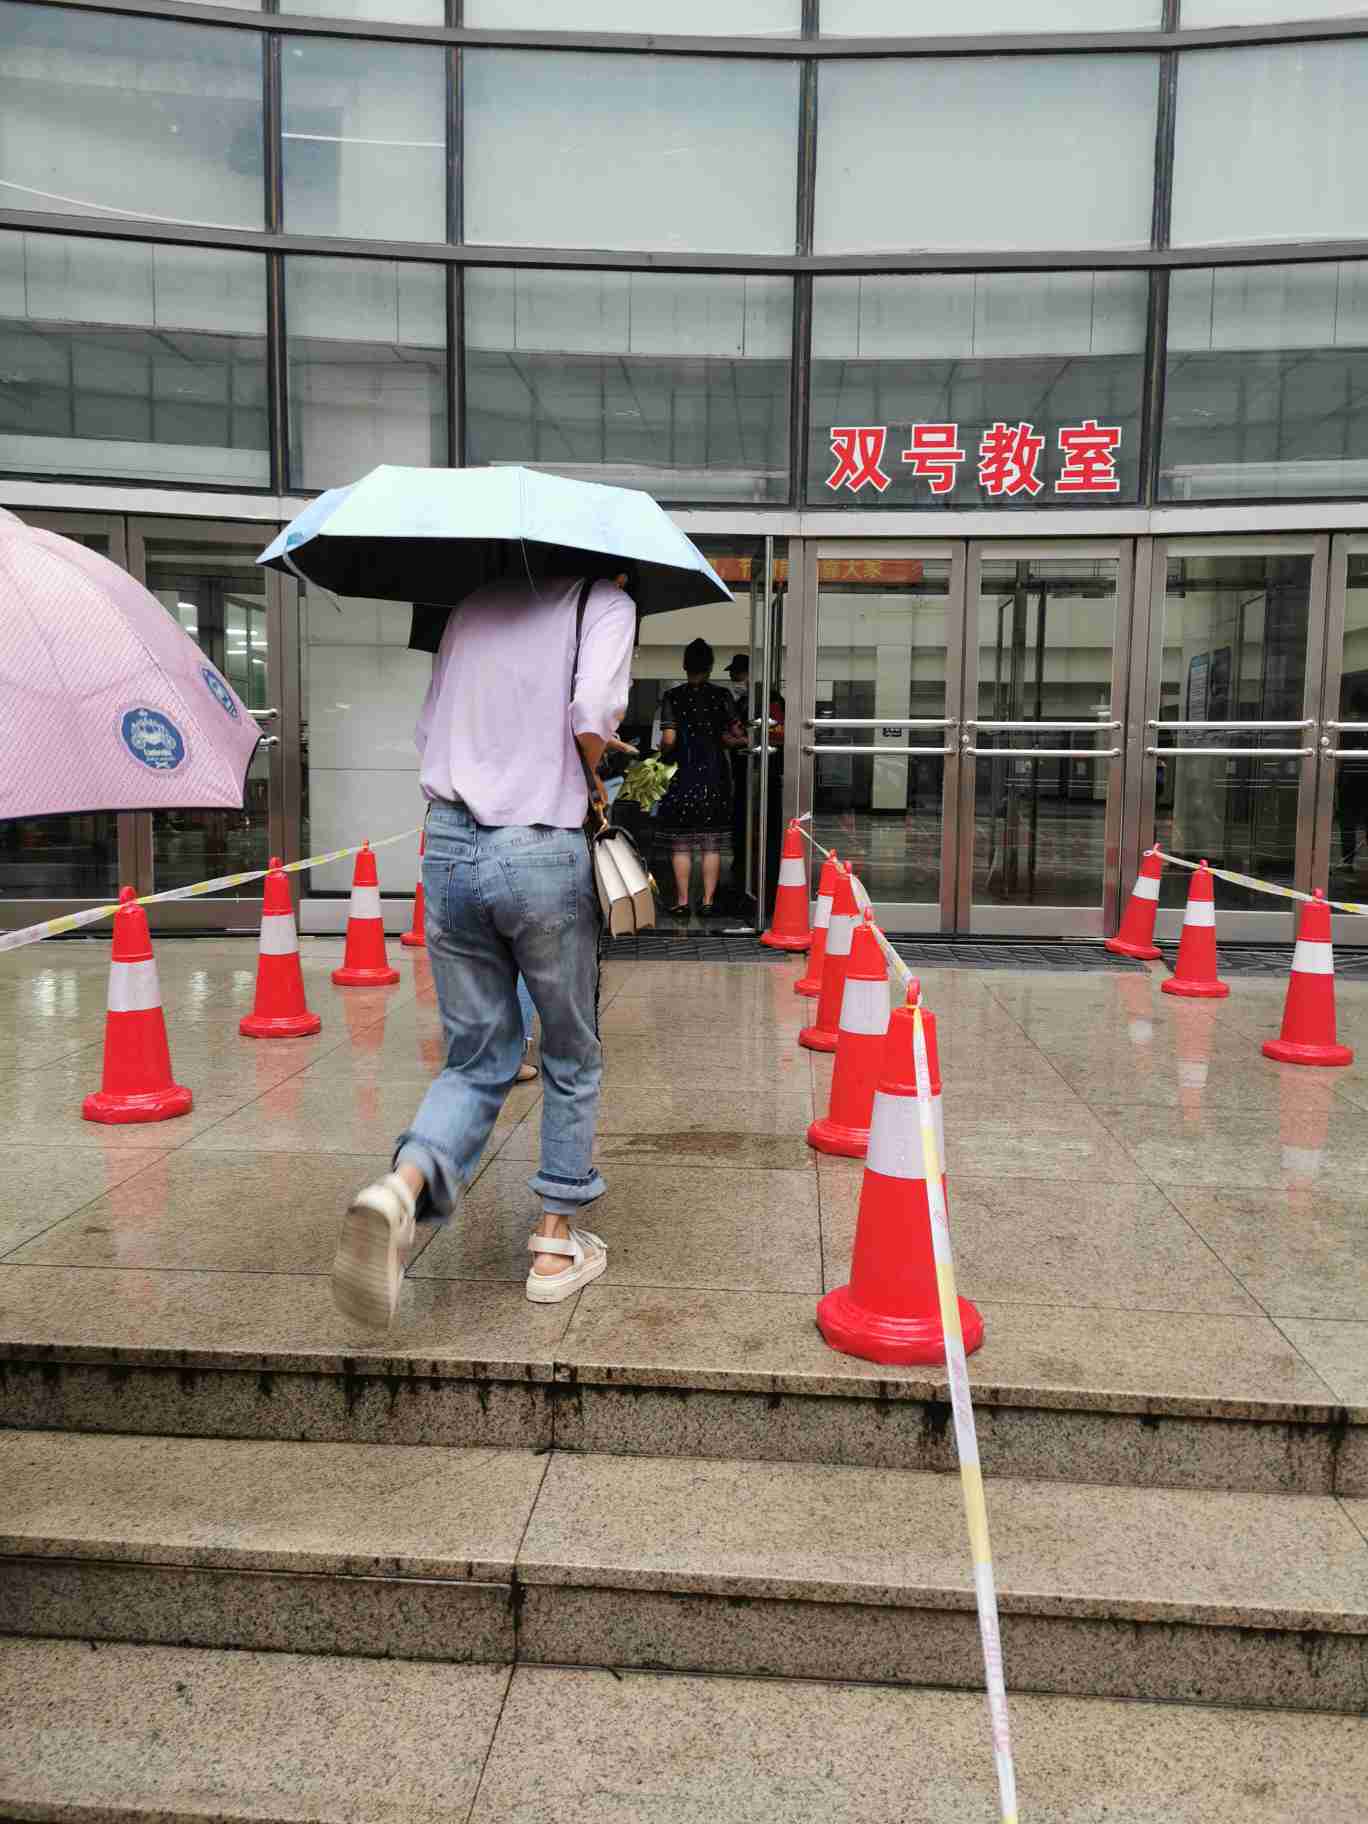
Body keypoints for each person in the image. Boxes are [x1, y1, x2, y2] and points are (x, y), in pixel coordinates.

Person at [332, 550, 637, 1330]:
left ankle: (402, 1188)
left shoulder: (470, 605)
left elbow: (430, 727)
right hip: (539, 846)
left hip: (449, 844)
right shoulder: (603, 603)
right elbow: (593, 712)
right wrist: (592, 765)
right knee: (569, 1049)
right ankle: (554, 1244)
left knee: (477, 1056)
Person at [655, 636, 746, 917]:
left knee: (681, 843)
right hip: (714, 775)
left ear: (685, 665)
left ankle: (683, 902)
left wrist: (662, 749)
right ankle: (707, 902)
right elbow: (735, 734)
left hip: (682, 774)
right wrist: (731, 740)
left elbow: (668, 738)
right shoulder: (722, 696)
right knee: (711, 843)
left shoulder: (672, 697)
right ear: (710, 666)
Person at [725, 654, 751, 886]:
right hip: (740, 768)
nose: (733, 678)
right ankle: (741, 858)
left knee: (747, 814)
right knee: (739, 815)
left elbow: (770, 735)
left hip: (755, 770)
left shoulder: (764, 700)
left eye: (736, 673)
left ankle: (746, 859)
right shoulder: (742, 701)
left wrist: (738, 742)